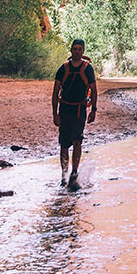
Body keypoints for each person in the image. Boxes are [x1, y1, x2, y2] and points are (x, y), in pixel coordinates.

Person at [52, 38, 97, 190]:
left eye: (80, 49)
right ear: (71, 51)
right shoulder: (63, 69)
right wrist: (55, 114)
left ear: (83, 51)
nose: (77, 51)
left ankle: (74, 173)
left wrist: (94, 110)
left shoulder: (88, 69)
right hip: (65, 110)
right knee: (64, 145)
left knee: (77, 141)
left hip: (80, 110)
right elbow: (55, 92)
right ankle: (64, 175)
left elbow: (94, 89)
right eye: (75, 49)